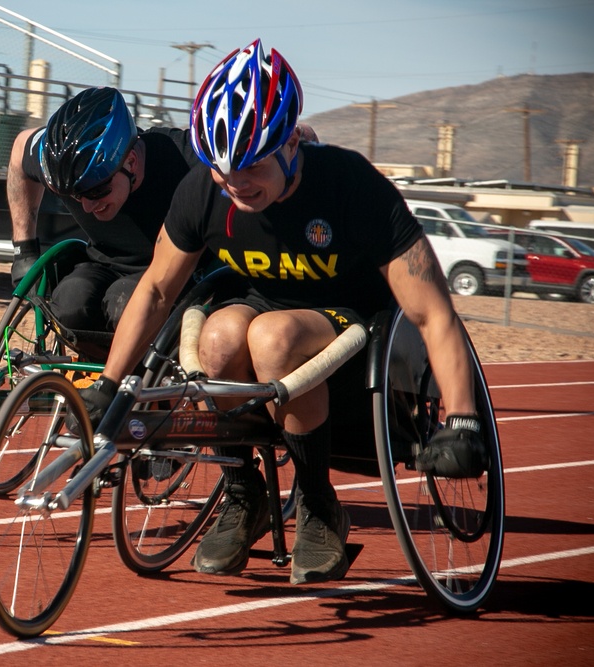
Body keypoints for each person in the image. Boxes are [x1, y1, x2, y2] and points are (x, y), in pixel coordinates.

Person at [78, 39, 488, 585]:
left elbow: (435, 313)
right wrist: (110, 385)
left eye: (251, 166)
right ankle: (244, 491)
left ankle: (318, 503)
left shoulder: (350, 186)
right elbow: (154, 290)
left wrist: (462, 420)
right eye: (221, 169)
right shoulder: (205, 190)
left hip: (354, 318)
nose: (235, 183)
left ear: (291, 140)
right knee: (219, 337)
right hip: (262, 305)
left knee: (273, 336)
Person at [6, 86, 202, 340]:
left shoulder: (185, 157)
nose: (87, 205)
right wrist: (24, 251)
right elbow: (21, 147)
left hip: (172, 274)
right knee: (70, 302)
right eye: (75, 195)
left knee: (126, 306)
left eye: (98, 191)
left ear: (130, 162)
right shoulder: (60, 165)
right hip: (104, 262)